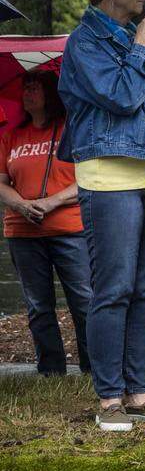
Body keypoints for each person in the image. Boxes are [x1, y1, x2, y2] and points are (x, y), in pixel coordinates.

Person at [58, 0, 145, 430]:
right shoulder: (83, 42)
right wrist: (143, 49)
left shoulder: (137, 36)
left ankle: (139, 394)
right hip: (107, 177)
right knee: (113, 288)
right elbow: (122, 96)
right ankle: (109, 399)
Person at [0, 70, 90, 377]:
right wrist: (22, 205)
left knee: (84, 300)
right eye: (25, 87)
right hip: (22, 231)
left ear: (51, 94)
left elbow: (87, 179)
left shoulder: (72, 130)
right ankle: (51, 370)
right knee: (38, 305)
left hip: (70, 229)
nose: (28, 92)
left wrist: (51, 202)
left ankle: (94, 367)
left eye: (35, 87)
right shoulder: (11, 136)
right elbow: (1, 182)